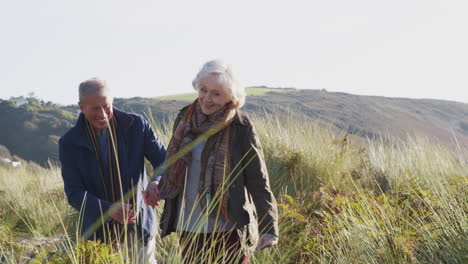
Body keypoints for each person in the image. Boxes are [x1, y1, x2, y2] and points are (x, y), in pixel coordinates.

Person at [144, 60, 279, 263]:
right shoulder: (185, 118)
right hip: (189, 226)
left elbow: (257, 179)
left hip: (229, 227)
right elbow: (173, 163)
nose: (207, 99)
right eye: (203, 90)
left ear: (230, 97)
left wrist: (269, 228)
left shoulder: (240, 126)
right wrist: (159, 182)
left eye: (216, 94)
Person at [59, 78, 165, 264]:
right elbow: (74, 194)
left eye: (106, 106)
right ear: (81, 107)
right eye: (94, 108)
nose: (102, 114)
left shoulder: (137, 125)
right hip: (97, 234)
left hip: (140, 226)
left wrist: (156, 182)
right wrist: (109, 210)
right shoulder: (69, 143)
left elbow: (165, 162)